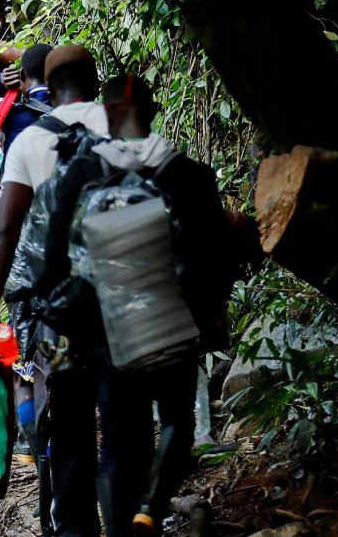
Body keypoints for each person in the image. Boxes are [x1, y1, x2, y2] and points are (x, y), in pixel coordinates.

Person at [83, 75, 235, 536]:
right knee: (175, 422)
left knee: (115, 444)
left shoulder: (82, 175)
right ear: (152, 112)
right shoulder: (190, 174)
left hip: (109, 328)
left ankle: (118, 531)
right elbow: (216, 256)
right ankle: (149, 508)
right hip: (173, 317)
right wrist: (211, 314)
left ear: (105, 116)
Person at [0, 44, 109, 535]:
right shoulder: (126, 126)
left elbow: (4, 228)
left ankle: (73, 527)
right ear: (96, 83)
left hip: (63, 307)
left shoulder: (32, 140)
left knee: (71, 419)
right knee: (123, 419)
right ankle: (132, 516)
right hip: (126, 298)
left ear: (49, 92)